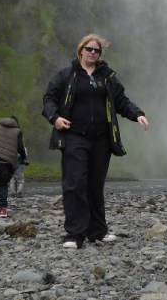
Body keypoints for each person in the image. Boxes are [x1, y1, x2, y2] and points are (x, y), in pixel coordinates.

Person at [41, 34, 149, 249]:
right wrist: (55, 118)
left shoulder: (107, 77)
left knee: (95, 185)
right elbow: (49, 98)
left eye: (97, 51)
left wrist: (137, 114)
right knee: (75, 183)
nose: (92, 53)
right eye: (89, 49)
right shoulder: (67, 75)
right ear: (80, 50)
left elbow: (121, 101)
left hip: (101, 140)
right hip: (74, 137)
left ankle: (97, 231)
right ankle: (74, 234)